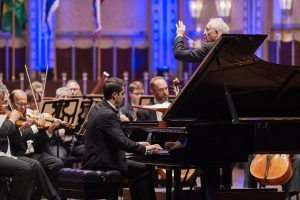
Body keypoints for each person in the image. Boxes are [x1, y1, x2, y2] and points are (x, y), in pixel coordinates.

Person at [83, 77, 162, 200]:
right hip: (104, 162)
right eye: (123, 93)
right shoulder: (108, 114)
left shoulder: (98, 107)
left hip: (96, 158)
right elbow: (122, 142)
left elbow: (115, 139)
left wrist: (140, 143)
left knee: (139, 167)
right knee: (144, 169)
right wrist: (145, 149)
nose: (124, 97)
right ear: (115, 95)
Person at [9, 89, 64, 200]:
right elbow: (15, 140)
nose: (23, 107)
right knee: (36, 165)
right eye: (19, 104)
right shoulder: (9, 117)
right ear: (11, 102)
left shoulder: (31, 115)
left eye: (25, 104)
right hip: (18, 154)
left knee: (57, 163)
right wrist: (34, 127)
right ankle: (54, 197)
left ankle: (36, 195)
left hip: (33, 153)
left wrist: (50, 129)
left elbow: (39, 143)